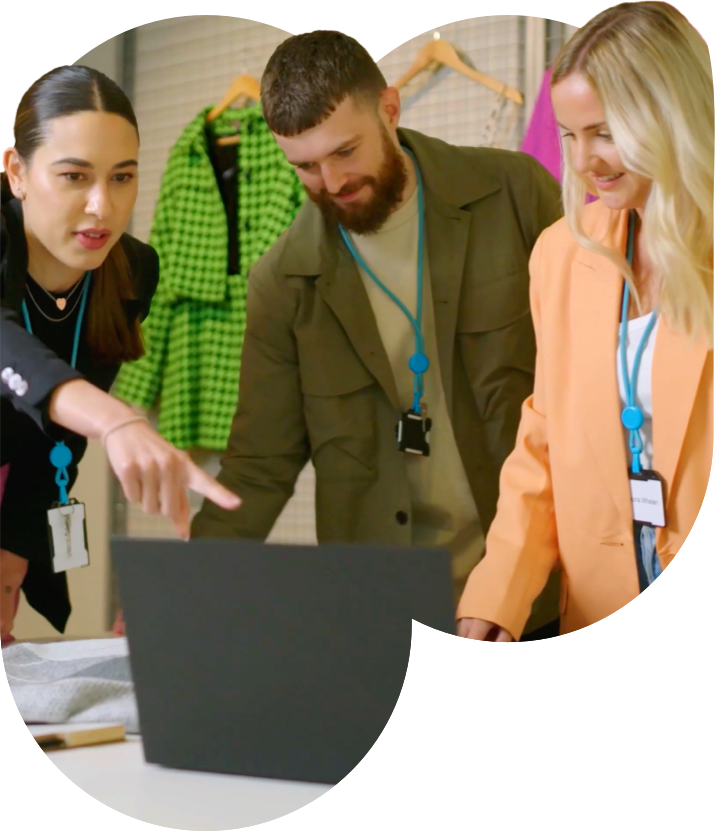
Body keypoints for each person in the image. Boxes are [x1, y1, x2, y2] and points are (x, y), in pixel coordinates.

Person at [190, 30, 564, 639]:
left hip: (537, 591)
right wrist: (185, 585)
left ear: (390, 109)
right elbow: (259, 466)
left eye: (345, 152)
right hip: (379, 614)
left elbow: (596, 378)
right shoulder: (283, 281)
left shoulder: (516, 194)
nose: (331, 182)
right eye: (305, 166)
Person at [457, 2, 713, 641]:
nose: (582, 162)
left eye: (603, 132)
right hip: (598, 600)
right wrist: (496, 596)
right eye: (569, 136)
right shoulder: (561, 253)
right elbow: (543, 441)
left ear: (669, 113)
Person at [0, 66, 241, 645]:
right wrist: (120, 422)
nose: (101, 207)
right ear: (17, 172)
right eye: (74, 176)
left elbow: (56, 436)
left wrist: (11, 559)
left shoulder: (133, 270)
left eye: (122, 177)